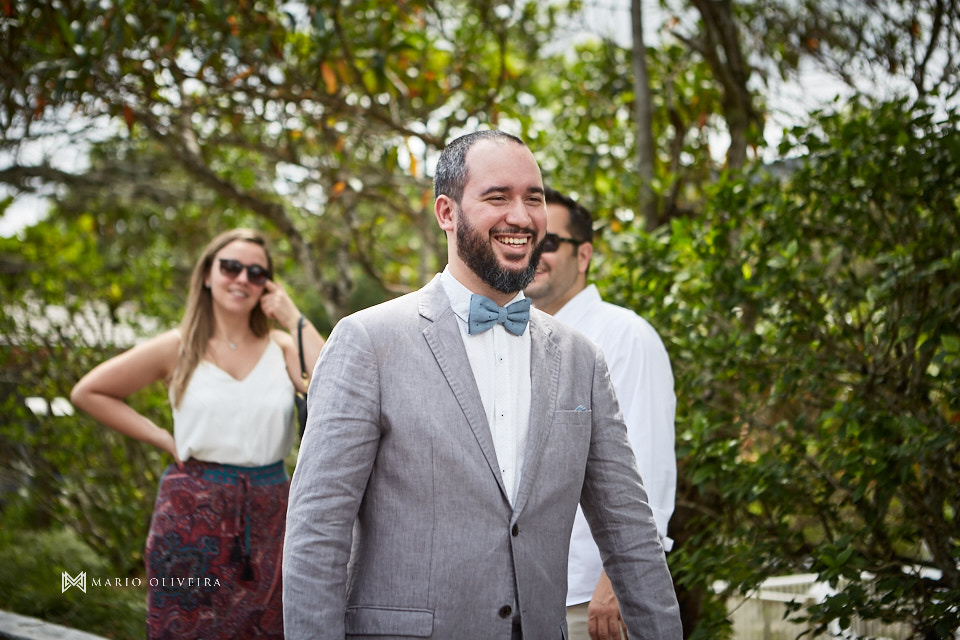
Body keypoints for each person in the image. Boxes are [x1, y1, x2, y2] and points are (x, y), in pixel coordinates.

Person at [282, 130, 682, 639]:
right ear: (446, 212)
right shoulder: (367, 341)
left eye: (533, 198)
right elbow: (317, 533)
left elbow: (631, 534)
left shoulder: (582, 358)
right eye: (497, 197)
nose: (521, 216)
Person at [70, 228, 324, 639]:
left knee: (270, 628)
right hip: (190, 510)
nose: (242, 279)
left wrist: (293, 317)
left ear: (267, 285)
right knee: (186, 628)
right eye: (231, 267)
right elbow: (89, 392)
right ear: (207, 274)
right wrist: (163, 439)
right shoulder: (178, 346)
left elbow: (333, 383)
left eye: (256, 272)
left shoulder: (281, 347)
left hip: (271, 512)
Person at [524, 188, 677, 640]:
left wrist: (616, 583)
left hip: (590, 601)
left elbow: (648, 468)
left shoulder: (626, 336)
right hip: (524, 598)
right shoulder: (516, 338)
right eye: (528, 240)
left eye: (550, 242)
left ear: (584, 255)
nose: (535, 253)